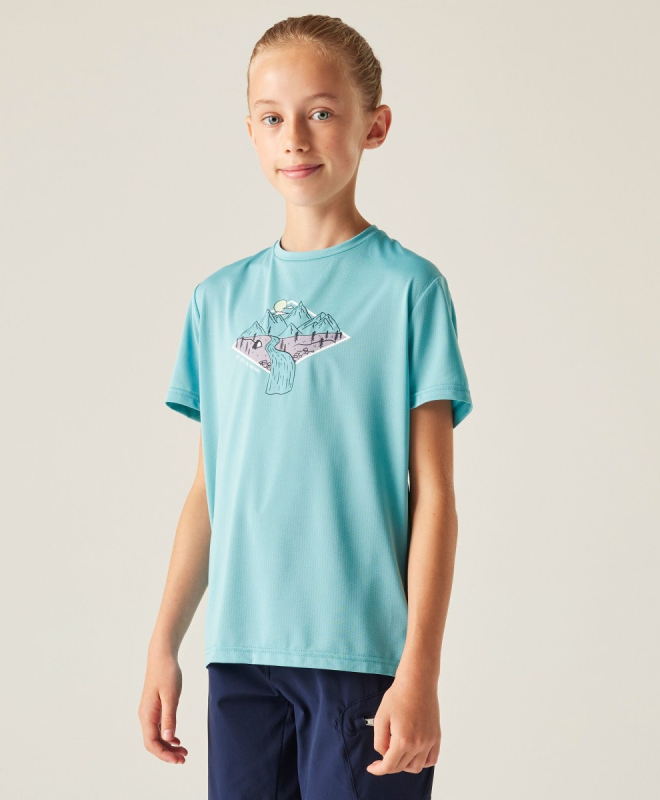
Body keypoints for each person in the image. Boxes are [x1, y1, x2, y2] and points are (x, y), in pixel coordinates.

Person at [138, 14, 474, 799]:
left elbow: (434, 497)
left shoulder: (408, 290)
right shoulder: (218, 301)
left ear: (374, 126)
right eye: (271, 117)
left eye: (320, 112)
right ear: (250, 132)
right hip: (241, 658)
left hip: (360, 660)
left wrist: (420, 670)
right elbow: (210, 490)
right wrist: (164, 643)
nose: (294, 137)